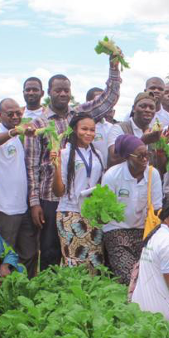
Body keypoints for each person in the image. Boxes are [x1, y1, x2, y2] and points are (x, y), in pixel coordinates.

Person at [25, 47, 124, 271]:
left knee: (86, 255)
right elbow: (31, 166)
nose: (63, 94)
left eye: (66, 90)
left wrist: (113, 67)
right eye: (58, 90)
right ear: (48, 93)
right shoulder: (39, 123)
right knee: (50, 252)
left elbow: (108, 100)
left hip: (84, 202)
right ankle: (50, 290)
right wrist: (34, 203)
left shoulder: (79, 115)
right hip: (51, 197)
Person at [0, 98, 39, 276]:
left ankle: (26, 286)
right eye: (10, 114)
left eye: (18, 113)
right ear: (0, 115)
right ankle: (0, 290)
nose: (15, 116)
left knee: (29, 252)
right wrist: (15, 131)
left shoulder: (17, 137)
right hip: (4, 207)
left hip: (22, 207)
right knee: (4, 258)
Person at [102, 135, 163, 285]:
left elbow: (157, 208)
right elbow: (105, 211)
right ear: (127, 157)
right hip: (117, 230)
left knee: (151, 272)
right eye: (140, 156)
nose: (145, 159)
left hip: (144, 230)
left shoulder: (153, 174)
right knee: (129, 275)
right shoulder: (112, 175)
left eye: (147, 154)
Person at [51, 113, 106, 269]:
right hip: (70, 212)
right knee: (74, 261)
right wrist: (56, 166)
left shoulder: (98, 155)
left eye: (92, 130)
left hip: (92, 214)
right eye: (84, 129)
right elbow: (58, 192)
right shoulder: (64, 153)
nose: (89, 133)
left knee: (95, 261)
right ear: (74, 130)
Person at [107, 92, 164, 168]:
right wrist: (142, 141)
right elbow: (113, 158)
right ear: (134, 108)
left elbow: (161, 168)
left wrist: (162, 148)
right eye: (143, 106)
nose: (148, 110)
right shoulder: (119, 128)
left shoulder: (155, 132)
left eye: (151, 107)